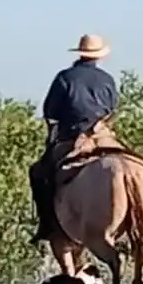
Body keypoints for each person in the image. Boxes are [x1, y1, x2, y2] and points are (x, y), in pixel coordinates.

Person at [28, 33, 119, 245]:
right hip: (104, 136)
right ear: (99, 56)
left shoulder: (65, 77)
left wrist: (53, 139)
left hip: (73, 137)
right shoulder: (107, 79)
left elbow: (50, 112)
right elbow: (113, 109)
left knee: (39, 172)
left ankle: (48, 225)